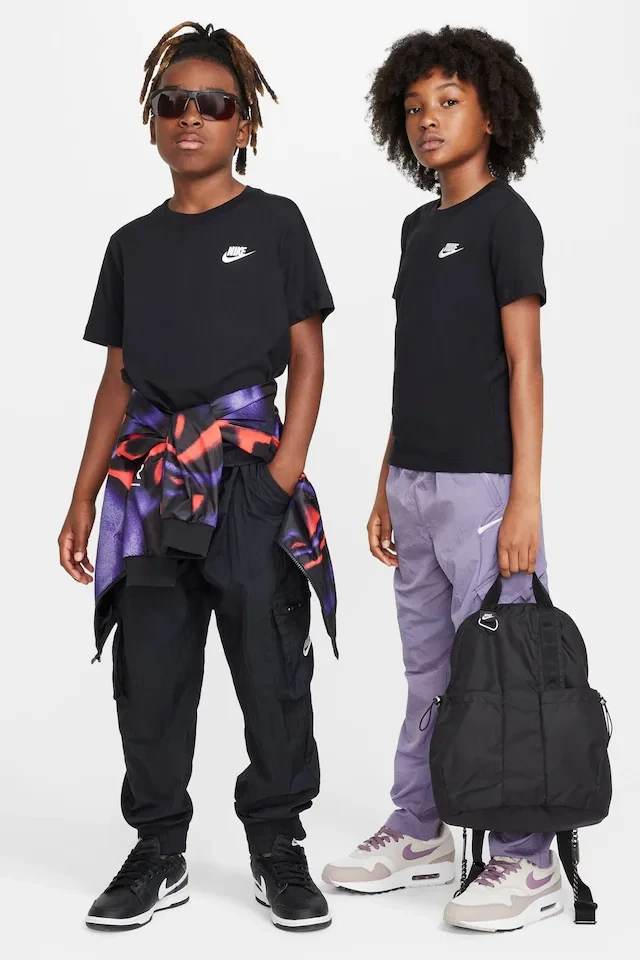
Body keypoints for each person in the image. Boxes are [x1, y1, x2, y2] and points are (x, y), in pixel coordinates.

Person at [59, 21, 335, 933]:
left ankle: (277, 843)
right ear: (152, 121)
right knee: (150, 669)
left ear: (242, 123)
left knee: (269, 663)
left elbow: (307, 355)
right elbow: (118, 376)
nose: (191, 117)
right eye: (173, 102)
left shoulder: (276, 224)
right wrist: (83, 494)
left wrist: (283, 473)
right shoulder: (131, 244)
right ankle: (159, 848)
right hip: (147, 484)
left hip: (248, 477)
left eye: (213, 104)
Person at [323, 26, 562, 932]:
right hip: (416, 484)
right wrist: (388, 478)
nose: (429, 120)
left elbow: (525, 365)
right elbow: (416, 363)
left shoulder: (508, 221)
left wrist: (526, 497)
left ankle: (527, 858)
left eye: (450, 103)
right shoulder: (418, 229)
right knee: (428, 669)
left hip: (485, 490)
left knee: (504, 671)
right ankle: (421, 827)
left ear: (491, 116)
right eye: (416, 107)